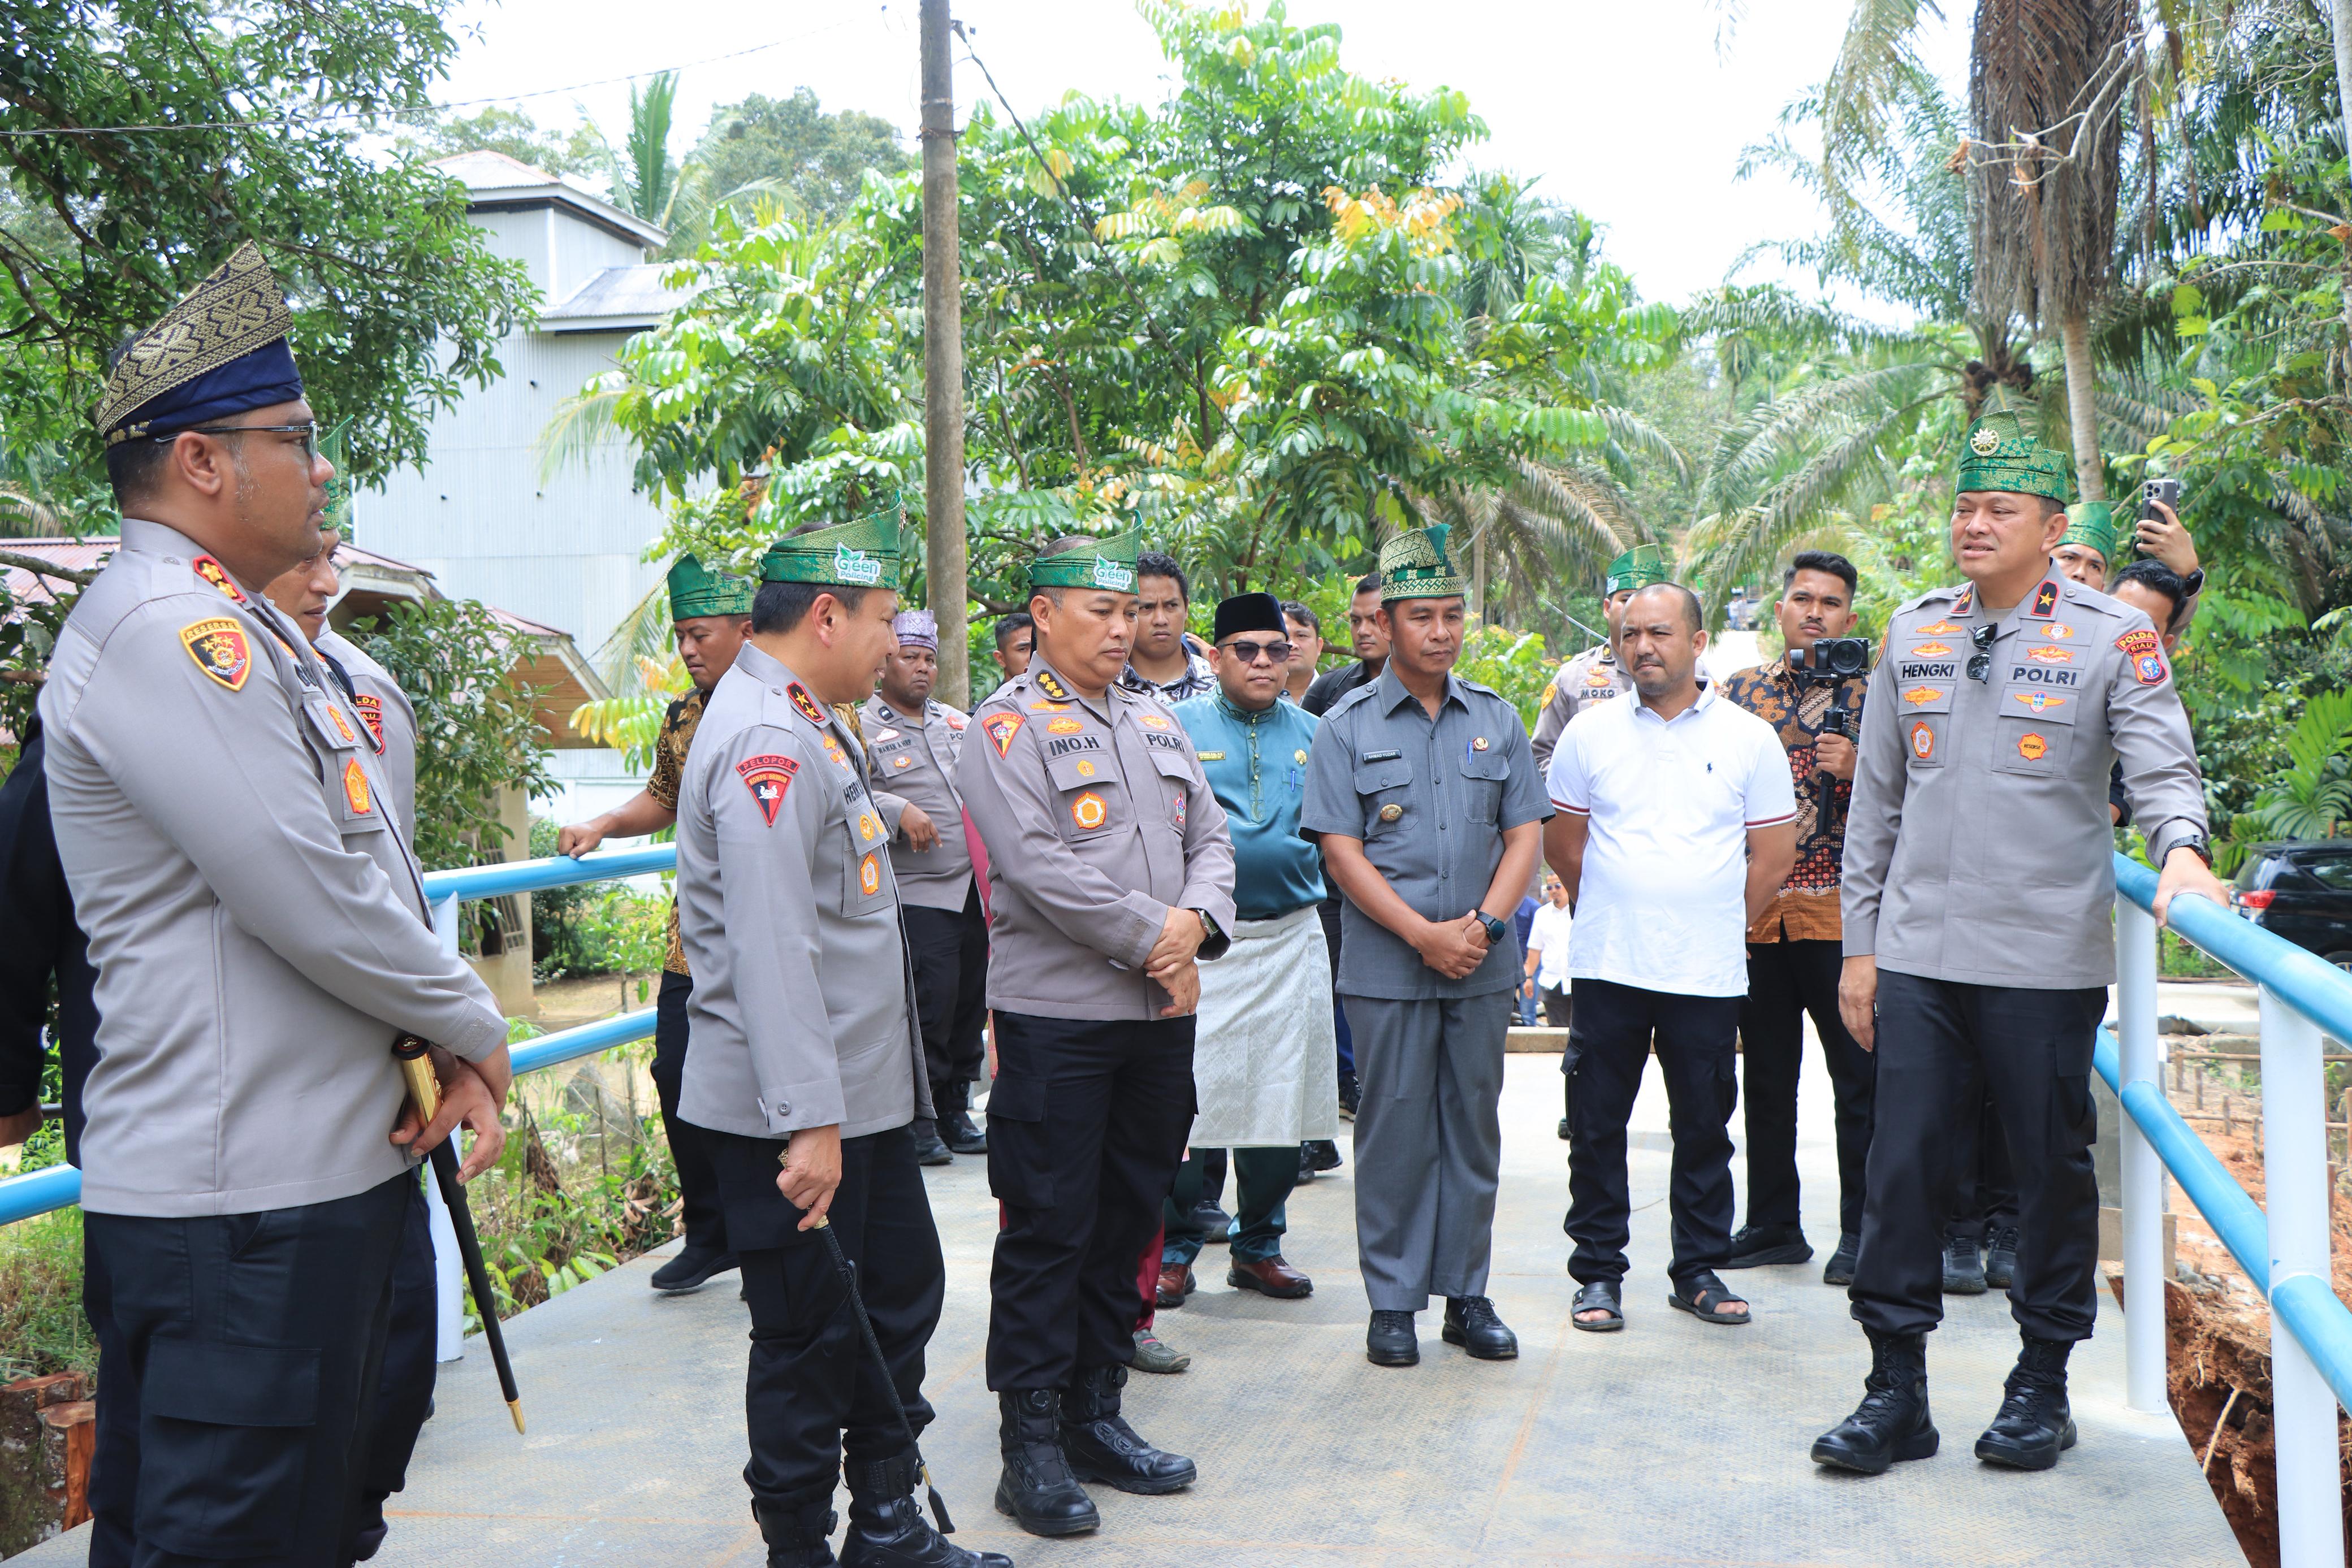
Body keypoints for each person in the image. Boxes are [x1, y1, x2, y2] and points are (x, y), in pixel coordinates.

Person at [43, 241, 512, 1566]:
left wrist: (427, 1033)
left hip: (295, 1187)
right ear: (202, 461)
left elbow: (361, 872)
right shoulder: (164, 631)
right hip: (236, 1209)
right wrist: (476, 1023)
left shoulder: (247, 633)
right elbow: (307, 891)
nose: (319, 470)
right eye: (295, 439)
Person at [1814, 395, 2226, 1477]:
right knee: (1898, 1168)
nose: (1974, 524)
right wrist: (1861, 947)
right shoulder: (1916, 631)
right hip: (1916, 959)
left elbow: (2163, 765)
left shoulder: (2114, 636)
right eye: (1964, 506)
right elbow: (1876, 813)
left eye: (2000, 508)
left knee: (2049, 1168)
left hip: (2042, 963)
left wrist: (2181, 845)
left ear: (2053, 528)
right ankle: (1894, 1388)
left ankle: (2042, 1383)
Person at [671, 505, 1009, 1568]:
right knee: (809, 1332)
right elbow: (773, 949)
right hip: (799, 1115)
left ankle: (888, 1523)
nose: (895, 643)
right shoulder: (771, 738)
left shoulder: (811, 717)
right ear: (826, 614)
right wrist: (809, 1123)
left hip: (856, 1102)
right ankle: (798, 1547)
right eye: (881, 622)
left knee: (894, 1298)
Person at [959, 529, 1235, 1540]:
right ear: (1043, 614)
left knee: (1126, 1218)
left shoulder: (1156, 718)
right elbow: (1033, 865)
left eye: (1133, 612)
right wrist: (1157, 937)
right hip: (1058, 1023)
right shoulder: (1004, 724)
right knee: (1047, 1228)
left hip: (1156, 1022)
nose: (1125, 629)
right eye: (1101, 611)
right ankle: (1028, 1443)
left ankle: (1095, 1414)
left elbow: (1211, 837)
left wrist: (1194, 924)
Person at [1302, 525, 1546, 1370]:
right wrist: (1421, 934)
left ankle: (1467, 1294)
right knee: (1396, 1127)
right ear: (1386, 623)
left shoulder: (1499, 718)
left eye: (1452, 616)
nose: (1440, 632)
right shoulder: (1343, 727)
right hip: (1388, 966)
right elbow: (1341, 850)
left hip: (1480, 963)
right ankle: (1394, 1300)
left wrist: (1480, 927)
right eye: (1421, 617)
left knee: (1473, 1126)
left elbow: (1524, 837)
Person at [1544, 584, 1798, 1336]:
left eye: (1659, 633)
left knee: (1704, 1124)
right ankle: (1597, 1270)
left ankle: (1697, 1269)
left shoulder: (1749, 737)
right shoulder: (1588, 733)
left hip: (1704, 972)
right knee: (1595, 1123)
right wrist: (1618, 907)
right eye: (1629, 635)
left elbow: (1774, 856)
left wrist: (1715, 923)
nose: (1643, 647)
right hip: (1609, 963)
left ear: (1697, 641)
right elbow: (1565, 842)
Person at [559, 554, 754, 1295]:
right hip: (694, 936)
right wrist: (606, 821)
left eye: (701, 634)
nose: (687, 650)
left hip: (777, 932)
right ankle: (711, 1232)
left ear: (744, 629)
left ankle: (776, 1227)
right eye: (680, 637)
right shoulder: (683, 715)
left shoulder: (791, 704)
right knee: (676, 1070)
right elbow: (661, 796)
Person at [1157, 593, 1339, 1307]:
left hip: (1291, 934)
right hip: (1201, 944)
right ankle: (1173, 1250)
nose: (1262, 661)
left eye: (1275, 649)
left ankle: (1258, 1246)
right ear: (1214, 655)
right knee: (1186, 1105)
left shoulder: (1318, 733)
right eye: (1245, 649)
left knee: (1278, 1102)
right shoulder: (1172, 728)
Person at [1716, 551, 1877, 1287]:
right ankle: (1776, 1223)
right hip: (1758, 912)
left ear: (1850, 617)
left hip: (1845, 914)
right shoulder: (1738, 694)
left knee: (1861, 1079)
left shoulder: (1883, 696)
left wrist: (1863, 766)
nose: (1815, 611)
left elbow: (1918, 794)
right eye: (1802, 598)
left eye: (1831, 602)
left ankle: (1865, 1231)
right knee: (1769, 1077)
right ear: (1778, 610)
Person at [863, 609, 989, 1164]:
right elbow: (844, 795)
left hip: (973, 891)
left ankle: (957, 1107)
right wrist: (896, 808)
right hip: (917, 893)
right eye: (909, 656)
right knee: (928, 1007)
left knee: (968, 1004)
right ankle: (922, 1119)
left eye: (929, 658)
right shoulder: (859, 724)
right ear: (885, 659)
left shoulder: (957, 723)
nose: (921, 667)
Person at [1299, 573, 1388, 1159]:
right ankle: (1314, 1129)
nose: (1361, 630)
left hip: (1405, 883)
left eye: (1373, 618)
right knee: (1320, 999)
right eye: (1354, 619)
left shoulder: (1466, 702)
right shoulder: (1328, 694)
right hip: (1332, 879)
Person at [1529, 544, 1667, 773]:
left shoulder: (1693, 671)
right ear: (1607, 608)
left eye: (1648, 600)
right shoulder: (1572, 676)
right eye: (1627, 600)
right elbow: (1542, 756)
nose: (1638, 609)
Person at [1117, 549, 1215, 703]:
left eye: (1171, 605)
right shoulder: (1107, 684)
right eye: (1147, 608)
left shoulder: (1216, 683)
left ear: (1186, 608)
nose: (1161, 620)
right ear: (1128, 612)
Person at [1302, 573, 1387, 717]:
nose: (1362, 631)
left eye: (1374, 621)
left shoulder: (1428, 688)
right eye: (1355, 621)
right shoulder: (1328, 688)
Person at [1524, 874, 1573, 1028]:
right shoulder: (1542, 914)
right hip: (1552, 983)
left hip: (1576, 982)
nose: (1554, 891)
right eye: (1550, 887)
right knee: (1556, 1034)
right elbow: (1535, 949)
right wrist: (1529, 978)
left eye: (1558, 886)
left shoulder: (1580, 911)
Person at [1279, 599, 1323, 705]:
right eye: (1285, 637)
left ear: (1319, 646)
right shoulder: (1254, 701)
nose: (1292, 645)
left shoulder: (1340, 696)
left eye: (1301, 636)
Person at [995, 612, 1035, 681]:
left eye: (1036, 648)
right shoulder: (1001, 693)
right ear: (1000, 659)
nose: (1033, 656)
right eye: (1023, 649)